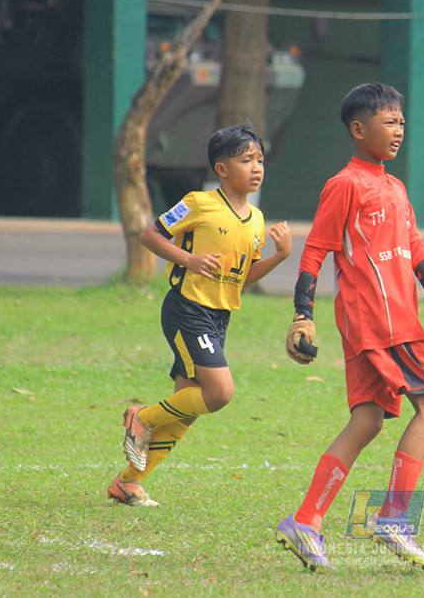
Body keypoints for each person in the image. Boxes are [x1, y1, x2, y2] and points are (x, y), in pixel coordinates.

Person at [273, 83, 424, 572]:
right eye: (388, 121)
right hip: (381, 321)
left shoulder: (395, 187)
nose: (399, 129)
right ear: (359, 129)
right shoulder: (346, 184)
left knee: (368, 421)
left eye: (401, 121)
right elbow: (315, 249)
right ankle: (394, 518)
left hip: (391, 318)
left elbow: (414, 244)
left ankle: (306, 519)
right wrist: (302, 314)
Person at [107, 123, 292, 507]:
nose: (256, 168)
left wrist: (279, 256)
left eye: (259, 159)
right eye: (246, 160)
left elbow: (242, 278)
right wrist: (189, 258)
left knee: (189, 407)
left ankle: (128, 482)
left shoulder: (256, 219)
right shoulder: (197, 203)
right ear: (222, 170)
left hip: (219, 317)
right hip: (187, 309)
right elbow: (150, 235)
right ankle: (141, 416)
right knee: (219, 393)